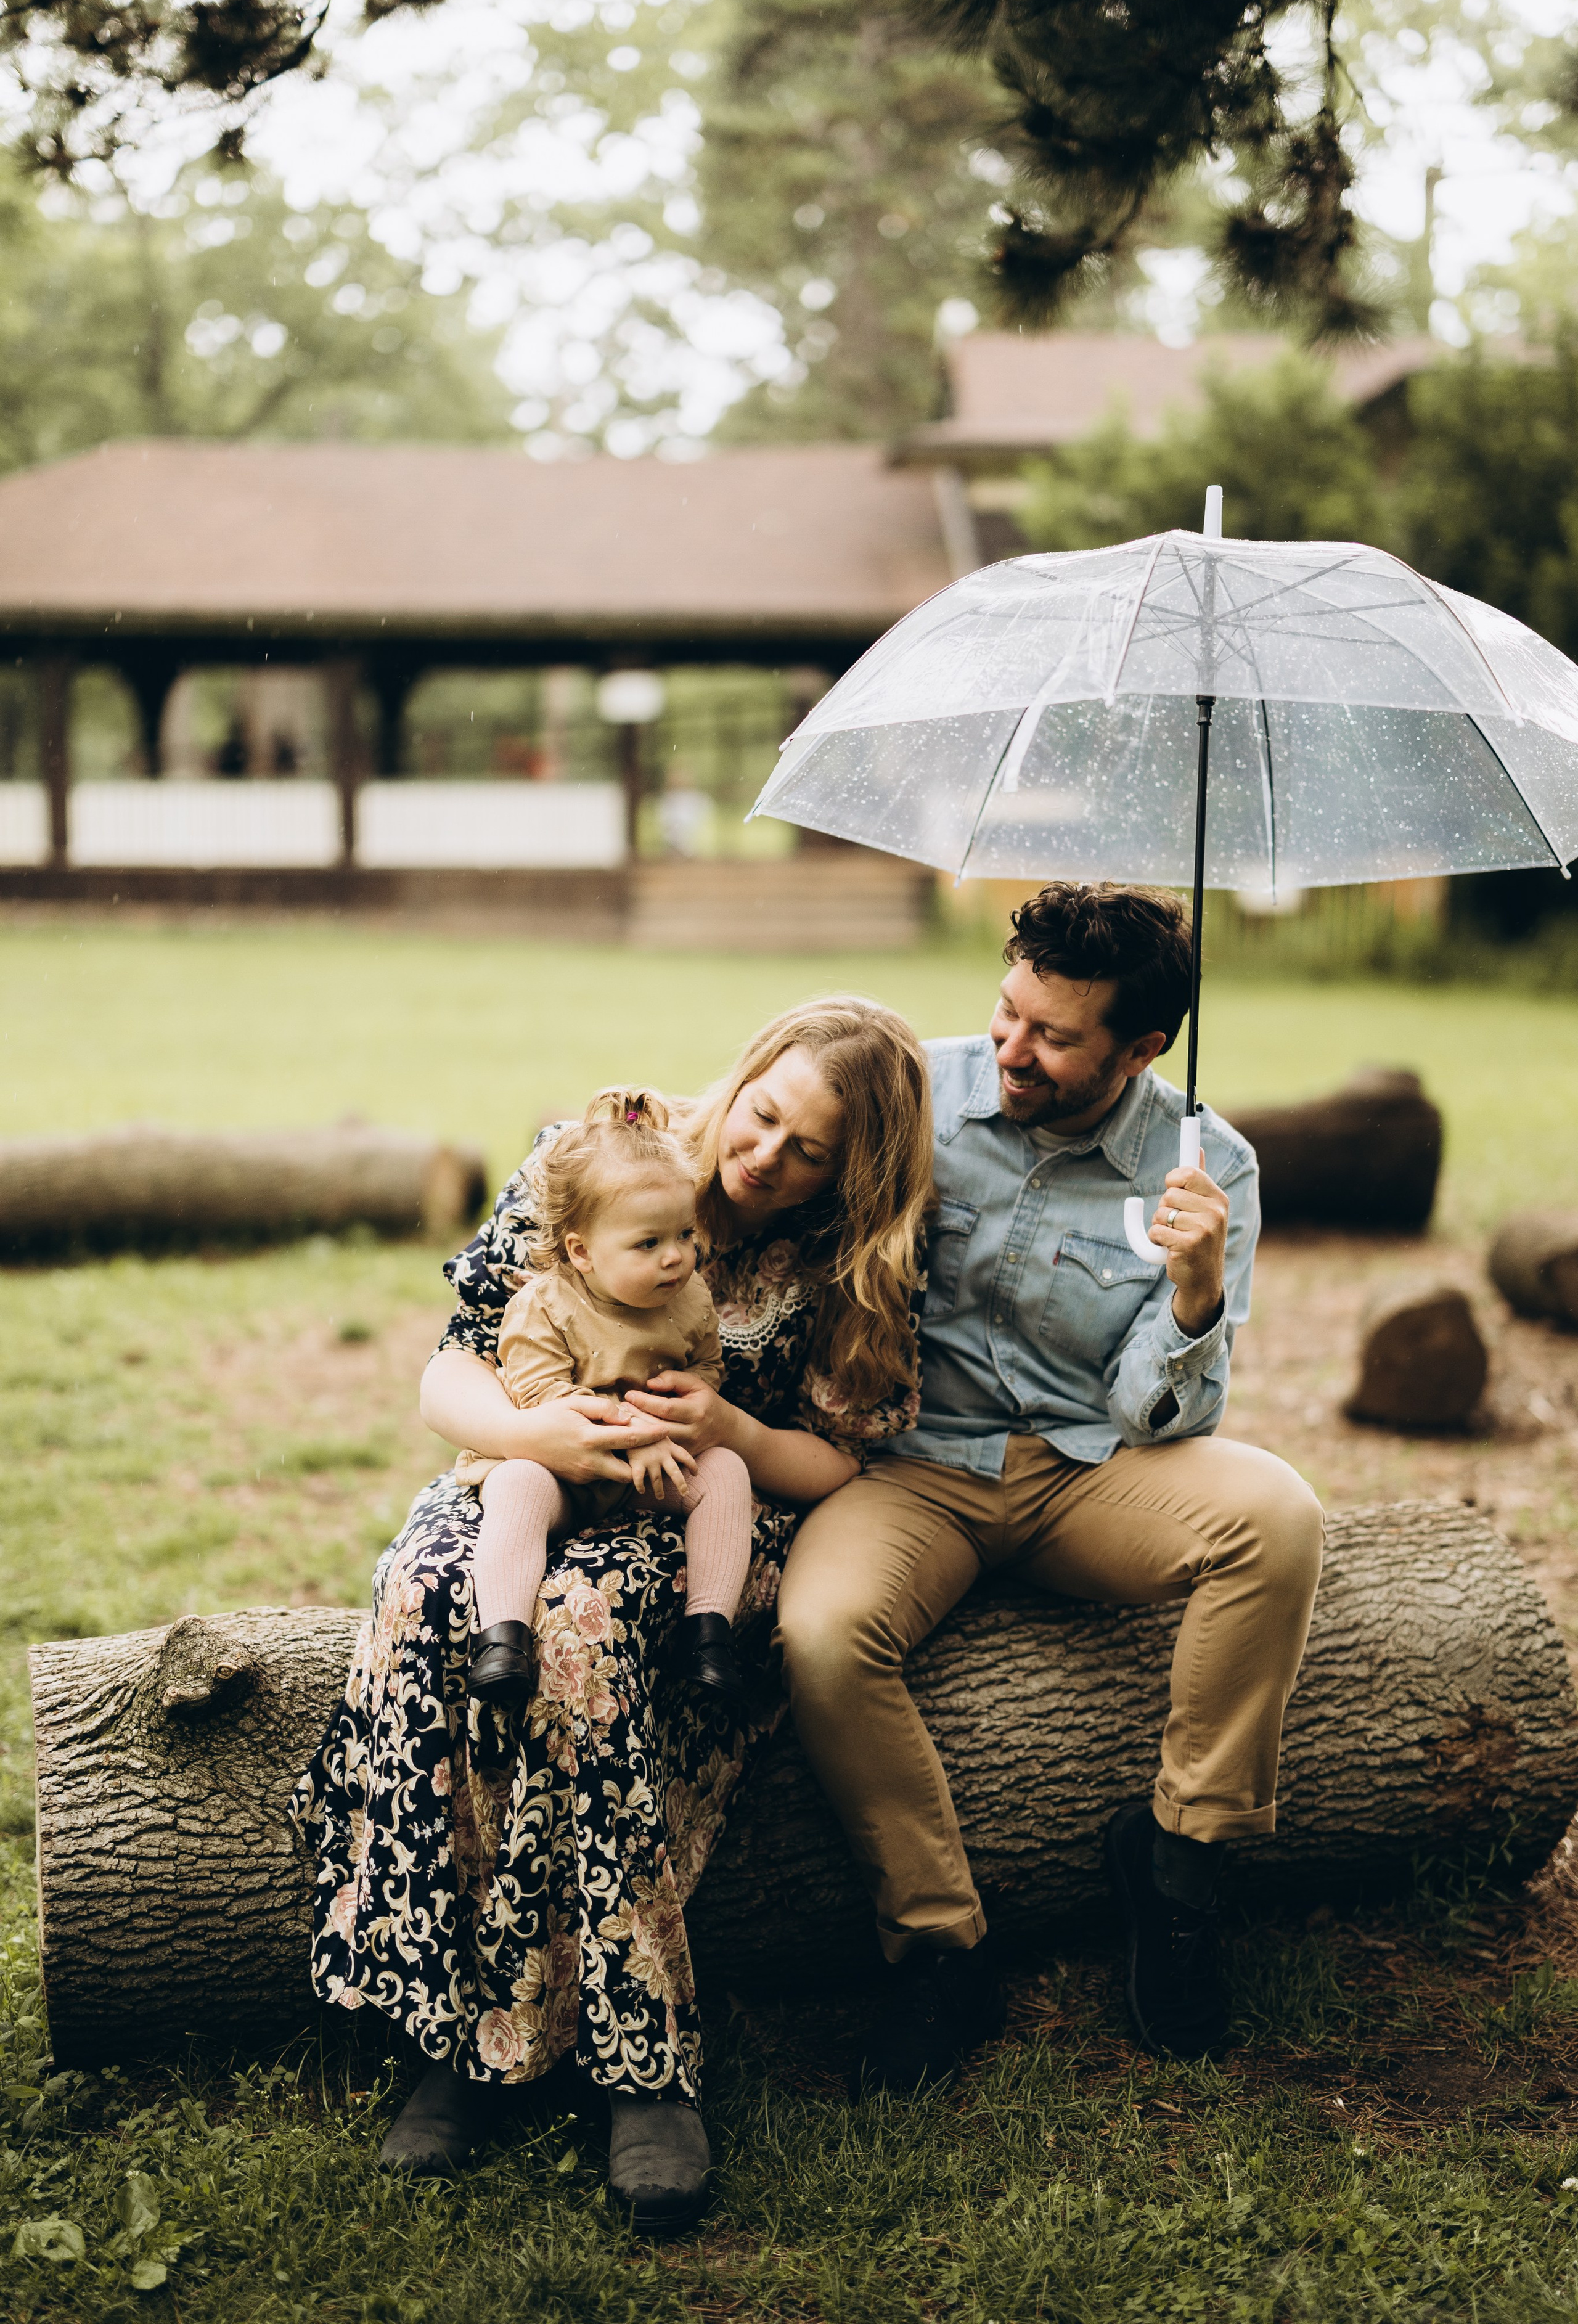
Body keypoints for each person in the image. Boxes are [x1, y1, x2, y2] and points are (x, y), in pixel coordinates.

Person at [290, 996, 933, 2229]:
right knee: (427, 1594)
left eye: (810, 1153)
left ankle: (642, 2068)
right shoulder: (597, 1153)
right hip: (526, 1466)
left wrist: (732, 1428)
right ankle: (454, 2031)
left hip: (703, 1515)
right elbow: (450, 1363)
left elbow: (845, 1464)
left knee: (580, 1640)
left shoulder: (850, 1257)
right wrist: (531, 1431)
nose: (763, 1159)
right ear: (739, 1081)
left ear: (851, 1174)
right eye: (763, 1117)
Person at [769, 883, 1325, 2092]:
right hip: (913, 1469)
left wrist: (1189, 1295)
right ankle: (936, 1947)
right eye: (1007, 1014)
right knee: (818, 1635)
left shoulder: (1205, 1167)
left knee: (1275, 1517)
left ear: (1140, 1048)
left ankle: (1179, 1856)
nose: (1012, 1052)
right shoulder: (912, 1093)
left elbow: (1155, 1412)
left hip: (1089, 1471)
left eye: (1054, 1037)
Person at [458, 1086, 754, 1712]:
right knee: (516, 1485)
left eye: (683, 1233)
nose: (675, 1257)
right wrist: (635, 1430)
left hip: (653, 1468)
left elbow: (704, 1366)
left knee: (726, 1471)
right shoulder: (545, 1305)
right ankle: (502, 1638)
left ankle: (708, 1635)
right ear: (582, 1252)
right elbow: (539, 1391)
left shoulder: (691, 1298)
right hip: (564, 1467)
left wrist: (693, 1398)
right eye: (648, 1244)